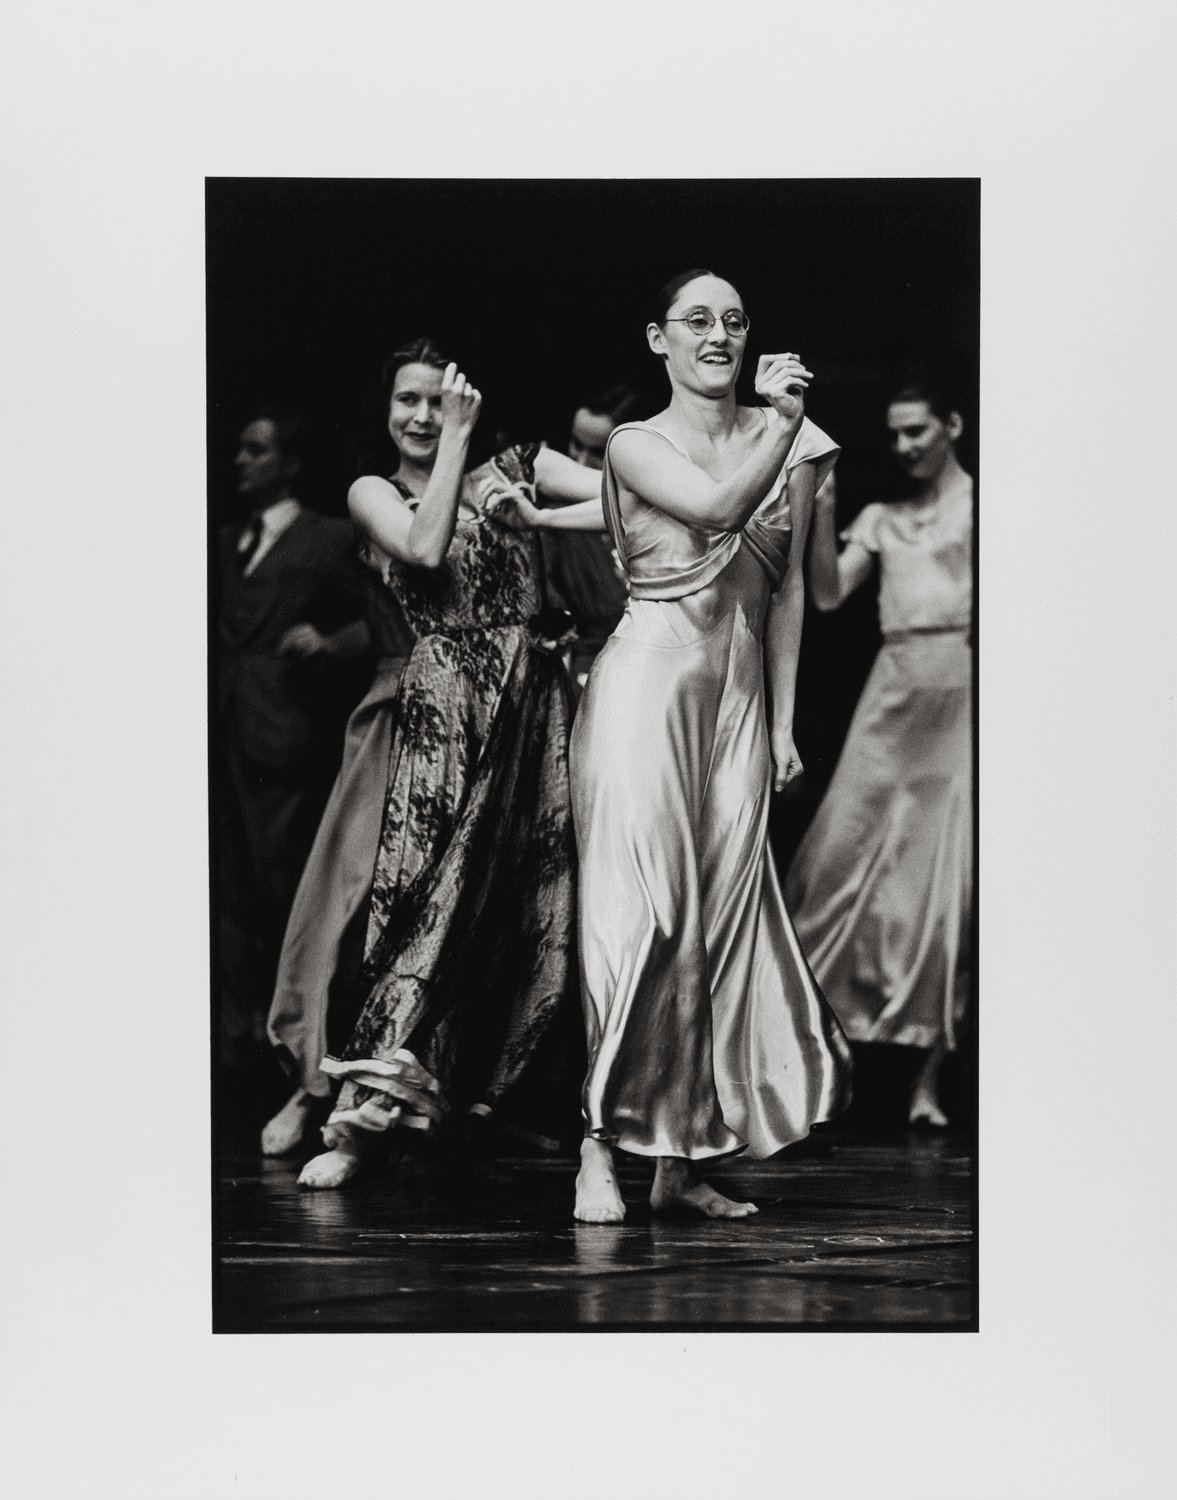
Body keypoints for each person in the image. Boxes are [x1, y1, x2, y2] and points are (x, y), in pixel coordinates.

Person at [483, 271, 853, 1222]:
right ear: (659, 339)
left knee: (715, 923)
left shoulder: (796, 442)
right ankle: (597, 1144)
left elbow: (784, 596)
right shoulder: (636, 444)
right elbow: (721, 510)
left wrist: (777, 726)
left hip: (733, 701)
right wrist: (777, 425)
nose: (718, 334)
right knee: (637, 912)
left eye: (733, 319)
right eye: (697, 321)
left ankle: (679, 1159)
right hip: (645, 690)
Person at [297, 339, 602, 1189]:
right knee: (421, 889)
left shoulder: (521, 462)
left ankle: (487, 1101)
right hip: (445, 698)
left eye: (440, 401)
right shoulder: (373, 491)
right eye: (409, 401)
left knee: (531, 897)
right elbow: (426, 550)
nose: (424, 416)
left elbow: (628, 497)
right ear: (385, 409)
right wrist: (461, 445)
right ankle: (367, 1116)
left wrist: (542, 514)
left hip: (534, 698)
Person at [785, 380, 973, 1128]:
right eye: (894, 435)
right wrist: (825, 507)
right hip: (890, 692)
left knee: (942, 881)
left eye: (917, 430)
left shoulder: (986, 504)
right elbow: (828, 596)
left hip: (960, 689)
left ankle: (928, 1078)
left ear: (951, 424)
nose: (904, 447)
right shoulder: (881, 517)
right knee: (838, 863)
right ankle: (822, 1062)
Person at [217, 406, 370, 1071]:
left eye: (257, 450)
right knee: (224, 885)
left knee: (281, 877)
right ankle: (233, 1035)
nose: (241, 462)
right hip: (218, 729)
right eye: (241, 451)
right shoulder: (226, 538)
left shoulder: (329, 537)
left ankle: (289, 1038)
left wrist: (330, 640)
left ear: (292, 462)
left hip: (282, 734)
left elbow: (385, 615)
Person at [542, 386, 641, 702]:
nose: (580, 461)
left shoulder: (657, 515)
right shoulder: (551, 522)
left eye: (596, 453)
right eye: (575, 445)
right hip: (583, 680)